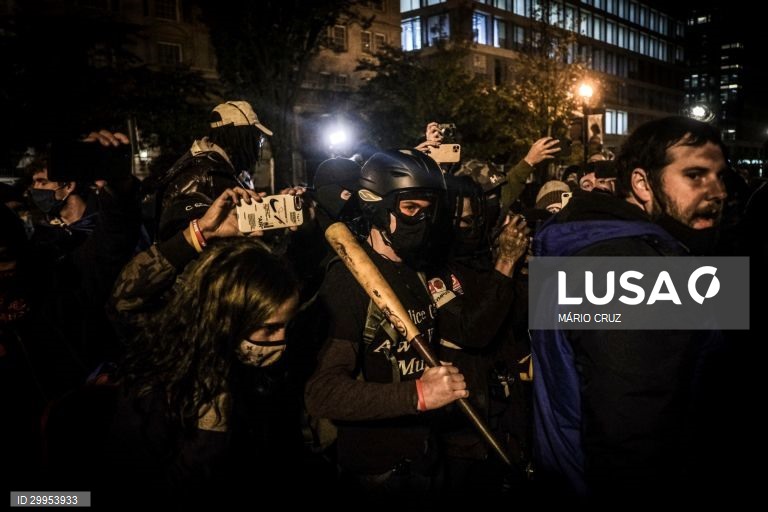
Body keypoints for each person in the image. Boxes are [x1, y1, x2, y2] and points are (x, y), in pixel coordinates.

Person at [47, 187, 304, 506]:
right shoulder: (164, 362)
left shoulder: (253, 376)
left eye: (284, 326)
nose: (281, 340)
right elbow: (125, 297)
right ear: (231, 316)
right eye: (270, 328)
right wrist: (196, 235)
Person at [530, 116, 728, 500]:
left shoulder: (618, 249)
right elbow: (630, 431)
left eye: (720, 176)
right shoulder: (624, 269)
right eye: (695, 175)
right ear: (641, 183)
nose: (716, 191)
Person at [304, 149, 468, 499]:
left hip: (426, 458)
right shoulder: (348, 282)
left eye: (429, 210)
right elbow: (322, 394)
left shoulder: (419, 270)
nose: (422, 221)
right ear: (378, 207)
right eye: (411, 209)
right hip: (378, 474)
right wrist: (418, 395)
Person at [144, 100, 272, 241]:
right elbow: (182, 239)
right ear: (235, 139)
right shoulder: (203, 175)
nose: (258, 147)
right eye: (254, 139)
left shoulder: (220, 170)